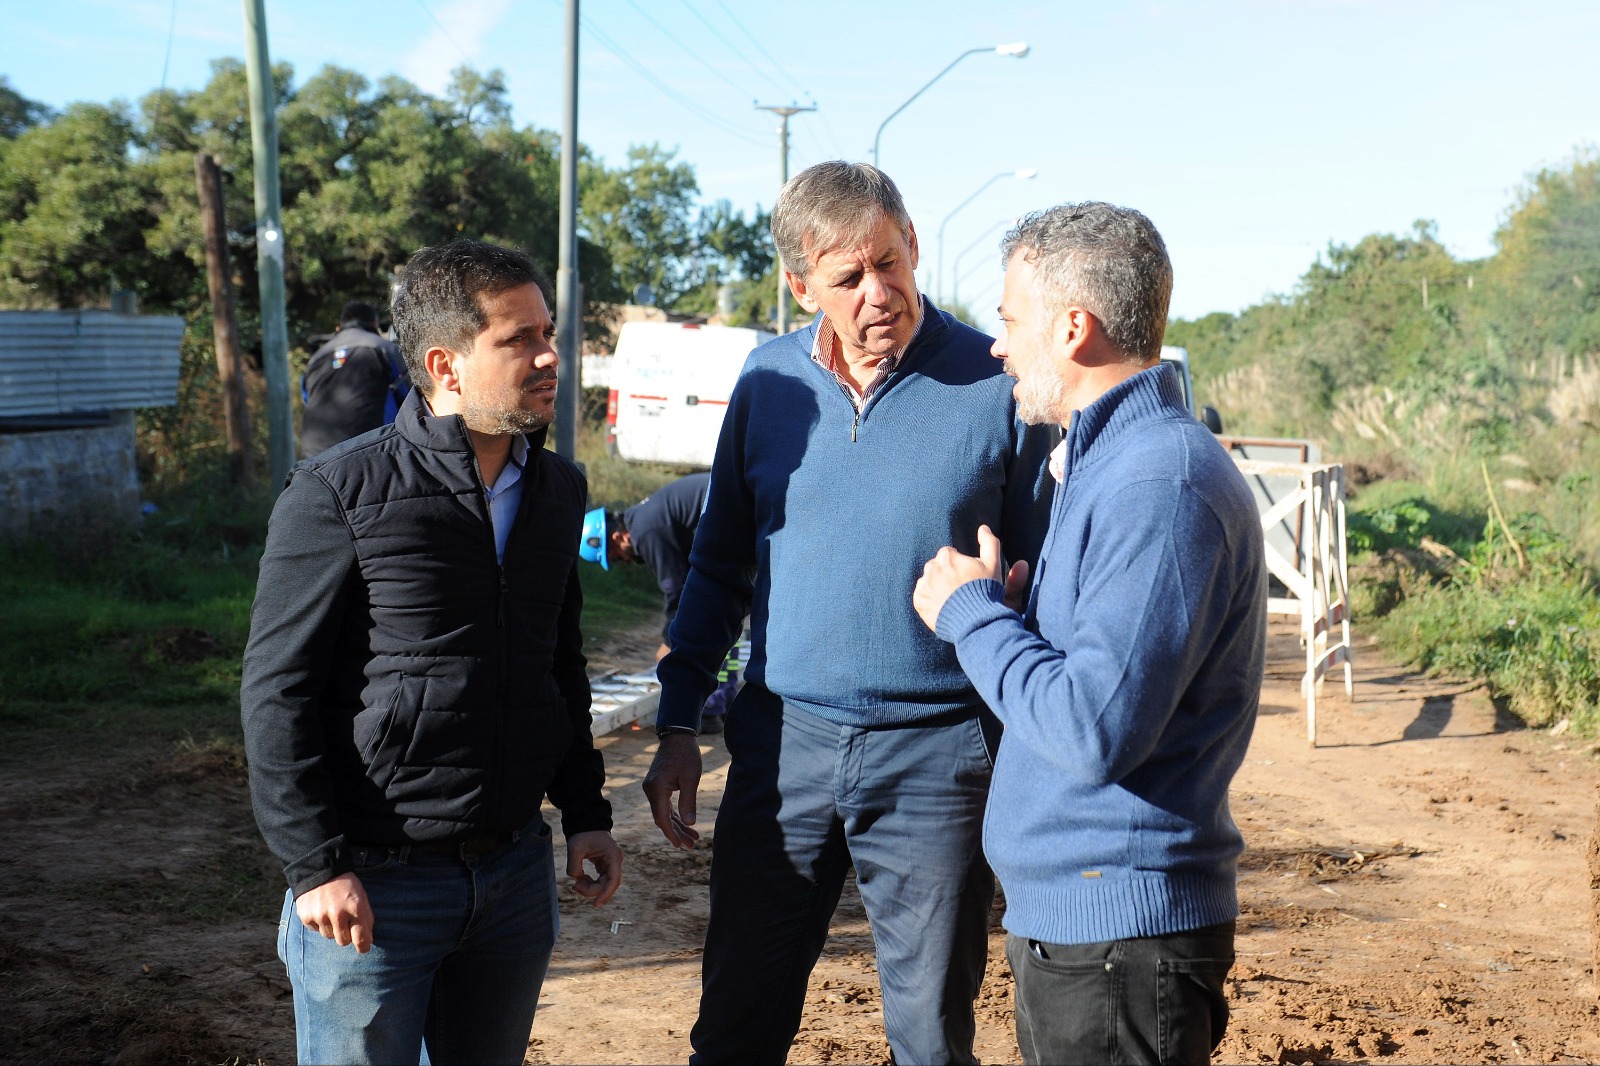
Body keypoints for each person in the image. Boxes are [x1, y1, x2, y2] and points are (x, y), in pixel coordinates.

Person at [641, 161, 1055, 1065]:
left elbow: (1039, 582)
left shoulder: (995, 386)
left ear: (913, 246)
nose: (881, 293)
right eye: (848, 278)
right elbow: (717, 567)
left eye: (892, 262)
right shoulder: (769, 385)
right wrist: (678, 719)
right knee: (736, 1024)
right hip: (784, 750)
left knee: (930, 1037)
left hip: (939, 758)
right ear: (801, 286)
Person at [242, 239, 623, 1066]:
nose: (551, 355)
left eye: (548, 332)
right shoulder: (339, 491)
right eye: (518, 339)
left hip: (514, 876)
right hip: (374, 891)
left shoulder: (559, 490)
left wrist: (586, 813)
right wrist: (315, 867)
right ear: (446, 364)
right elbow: (277, 691)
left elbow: (558, 665)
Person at [911, 202, 1267, 1066]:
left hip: (1119, 939)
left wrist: (973, 616)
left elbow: (1094, 727)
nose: (997, 344)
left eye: (1008, 319)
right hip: (1088, 929)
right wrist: (1023, 615)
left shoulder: (1159, 481)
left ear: (1073, 328)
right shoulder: (1108, 460)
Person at [577, 472, 738, 733]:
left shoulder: (647, 531)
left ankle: (710, 708)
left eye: (615, 557)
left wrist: (668, 642)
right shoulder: (645, 519)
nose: (623, 562)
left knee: (713, 616)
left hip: (734, 520)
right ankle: (721, 703)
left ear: (617, 538)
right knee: (723, 615)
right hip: (733, 520)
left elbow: (677, 589)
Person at [300, 300, 411, 457]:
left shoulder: (316, 359)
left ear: (340, 326)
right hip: (370, 448)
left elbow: (306, 398)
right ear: (374, 323)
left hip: (315, 453)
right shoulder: (386, 349)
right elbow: (411, 394)